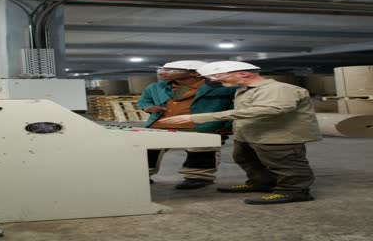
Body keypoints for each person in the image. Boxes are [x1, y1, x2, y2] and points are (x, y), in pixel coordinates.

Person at [159, 61, 321, 204]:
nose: (213, 80)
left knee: (286, 165)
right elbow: (242, 112)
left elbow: (270, 110)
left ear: (243, 74)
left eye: (216, 75)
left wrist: (202, 118)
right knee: (245, 159)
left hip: (278, 136)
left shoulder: (279, 89)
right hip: (249, 135)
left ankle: (294, 191)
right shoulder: (244, 89)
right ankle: (261, 183)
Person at [137, 60, 236, 190]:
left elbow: (234, 107)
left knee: (201, 151)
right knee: (148, 151)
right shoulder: (155, 87)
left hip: (200, 126)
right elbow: (144, 101)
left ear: (194, 73)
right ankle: (142, 175)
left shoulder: (222, 88)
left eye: (170, 70)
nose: (162, 72)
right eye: (162, 69)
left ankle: (197, 177)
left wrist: (228, 126)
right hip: (160, 125)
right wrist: (148, 107)